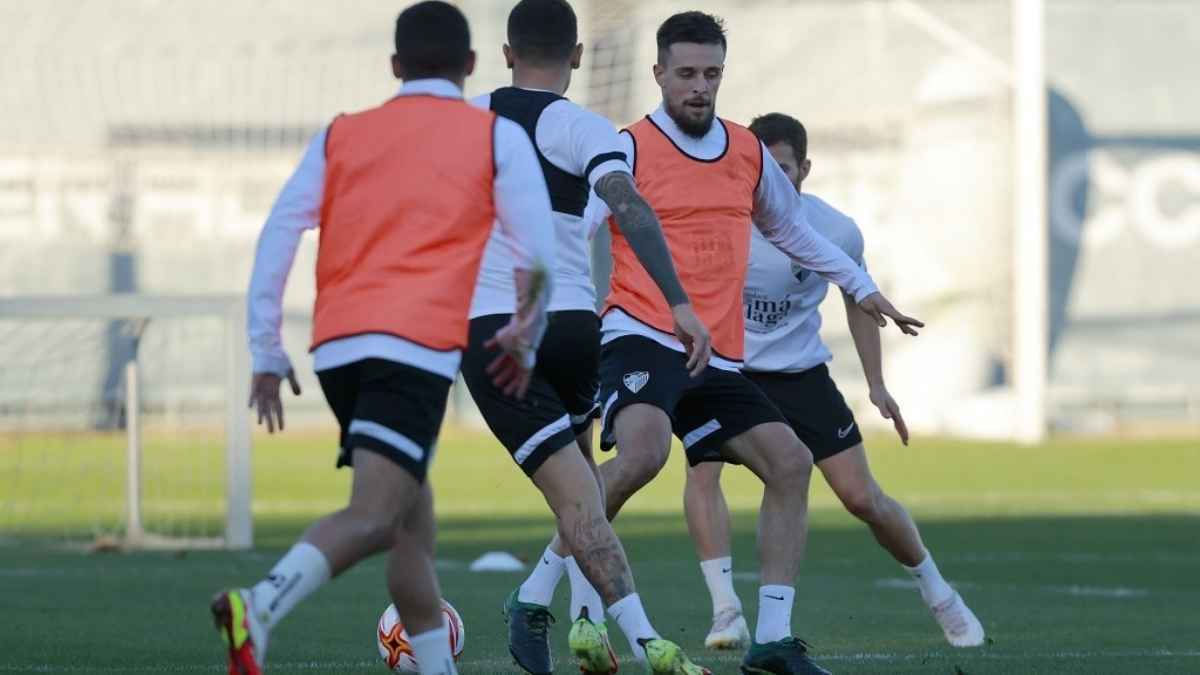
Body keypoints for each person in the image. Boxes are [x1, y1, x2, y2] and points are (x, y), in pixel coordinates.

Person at [541, 11, 923, 675]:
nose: (699, 86)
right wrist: (552, 312)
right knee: (641, 458)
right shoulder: (627, 147)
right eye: (686, 73)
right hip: (640, 333)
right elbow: (580, 230)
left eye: (711, 73)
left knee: (791, 462)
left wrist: (860, 286)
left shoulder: (746, 151)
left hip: (714, 355)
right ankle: (540, 589)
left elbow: (793, 230)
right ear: (659, 73)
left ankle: (771, 641)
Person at [210, 4, 557, 674]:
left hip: (339, 350)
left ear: (395, 66)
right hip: (414, 351)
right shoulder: (494, 136)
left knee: (410, 528)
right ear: (471, 66)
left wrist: (266, 348)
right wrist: (527, 333)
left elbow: (280, 231)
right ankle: (260, 604)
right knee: (374, 515)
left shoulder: (342, 134)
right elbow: (536, 252)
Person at [459, 2, 711, 674]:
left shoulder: (461, 123)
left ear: (506, 55)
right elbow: (628, 205)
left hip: (497, 331)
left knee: (579, 498)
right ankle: (573, 618)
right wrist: (680, 303)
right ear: (576, 56)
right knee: (586, 494)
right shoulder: (586, 127)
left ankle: (645, 641)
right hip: (574, 328)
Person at [683, 112, 985, 652]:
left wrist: (877, 384)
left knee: (861, 497)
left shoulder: (835, 230)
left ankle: (940, 594)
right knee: (703, 471)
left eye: (782, 170)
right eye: (758, 169)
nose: (767, 182)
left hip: (801, 376)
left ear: (805, 169)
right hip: (729, 372)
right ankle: (726, 610)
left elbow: (857, 297)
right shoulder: (719, 221)